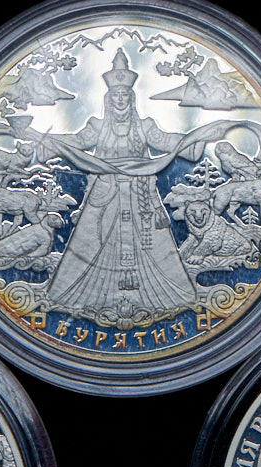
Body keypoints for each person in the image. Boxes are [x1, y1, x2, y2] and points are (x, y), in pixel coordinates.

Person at [27, 49, 207, 321]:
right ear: (108, 98)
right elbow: (77, 142)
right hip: (105, 195)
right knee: (90, 244)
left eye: (125, 95)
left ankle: (166, 297)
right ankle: (81, 299)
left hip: (140, 196)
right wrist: (46, 141)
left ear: (131, 98)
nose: (120, 99)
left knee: (155, 249)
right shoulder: (98, 126)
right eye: (116, 95)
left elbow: (167, 141)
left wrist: (197, 138)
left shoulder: (145, 126)